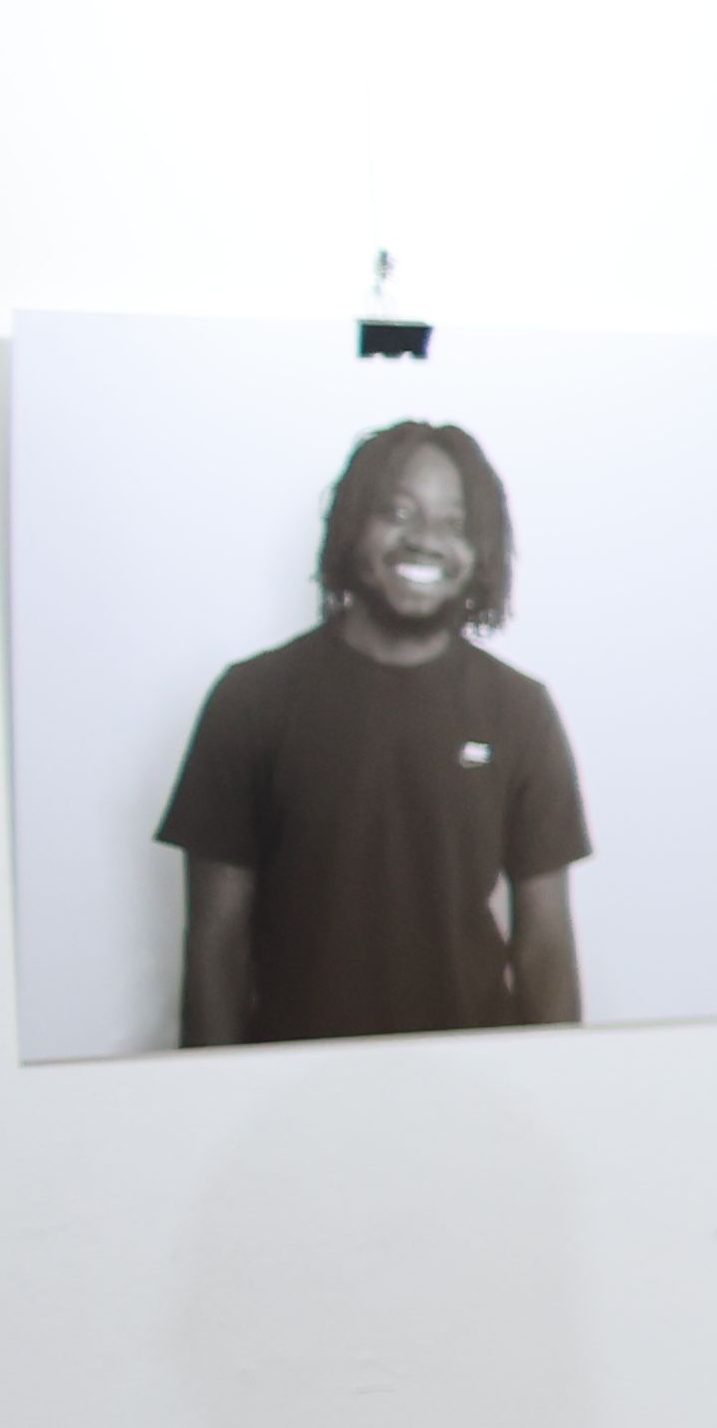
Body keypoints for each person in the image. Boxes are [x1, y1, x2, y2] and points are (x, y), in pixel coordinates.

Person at [161, 418, 590, 1046]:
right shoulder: (252, 698)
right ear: (353, 525)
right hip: (294, 1079)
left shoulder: (519, 709)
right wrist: (211, 1100)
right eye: (398, 511)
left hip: (474, 1079)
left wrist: (561, 1089)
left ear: (482, 551)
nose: (425, 540)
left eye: (454, 523)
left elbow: (545, 938)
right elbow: (215, 940)